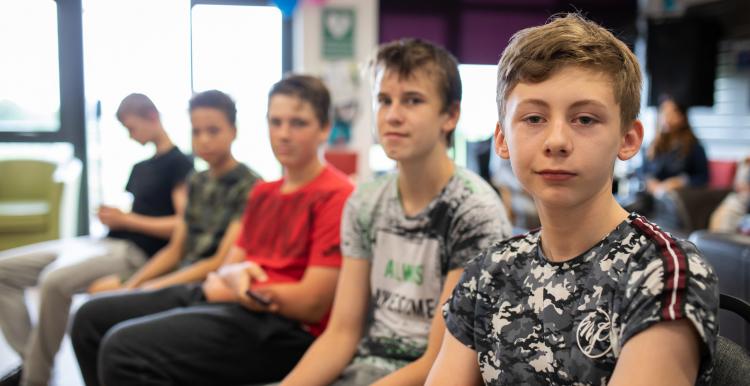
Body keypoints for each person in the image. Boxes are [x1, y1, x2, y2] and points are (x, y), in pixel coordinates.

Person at [427, 14, 719, 386]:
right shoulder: (489, 272)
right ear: (502, 140)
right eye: (534, 118)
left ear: (629, 139)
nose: (557, 140)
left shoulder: (663, 273)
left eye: (584, 119)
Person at [70, 75, 354, 386]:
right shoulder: (264, 193)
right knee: (89, 319)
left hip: (283, 327)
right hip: (230, 299)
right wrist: (231, 282)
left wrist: (239, 287)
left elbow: (311, 304)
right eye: (276, 122)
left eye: (298, 123)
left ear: (324, 128)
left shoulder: (337, 195)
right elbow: (229, 266)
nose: (284, 134)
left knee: (122, 349)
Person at [281, 39, 511, 386]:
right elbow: (341, 333)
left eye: (412, 100)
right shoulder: (365, 201)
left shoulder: (473, 210)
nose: (392, 115)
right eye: (384, 100)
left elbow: (438, 362)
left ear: (450, 115)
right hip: (361, 371)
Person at [0, 93, 193, 386]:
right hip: (101, 241)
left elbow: (182, 224)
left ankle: (33, 379)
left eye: (132, 128)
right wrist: (117, 216)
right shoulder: (140, 168)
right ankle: (32, 361)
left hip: (133, 251)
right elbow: (140, 211)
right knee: (4, 270)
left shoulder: (179, 163)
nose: (131, 136)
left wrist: (126, 220)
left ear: (152, 117)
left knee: (54, 282)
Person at [628, 96, 709, 215]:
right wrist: (649, 181)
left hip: (675, 201)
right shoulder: (654, 145)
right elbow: (642, 170)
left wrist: (680, 181)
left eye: (671, 112)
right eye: (663, 112)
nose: (666, 117)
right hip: (650, 198)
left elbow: (703, 177)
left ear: (682, 117)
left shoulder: (694, 147)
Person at [709, 155, 750, 233]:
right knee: (722, 213)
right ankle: (716, 239)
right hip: (740, 197)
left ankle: (723, 239)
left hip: (745, 200)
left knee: (728, 214)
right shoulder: (746, 161)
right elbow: (738, 185)